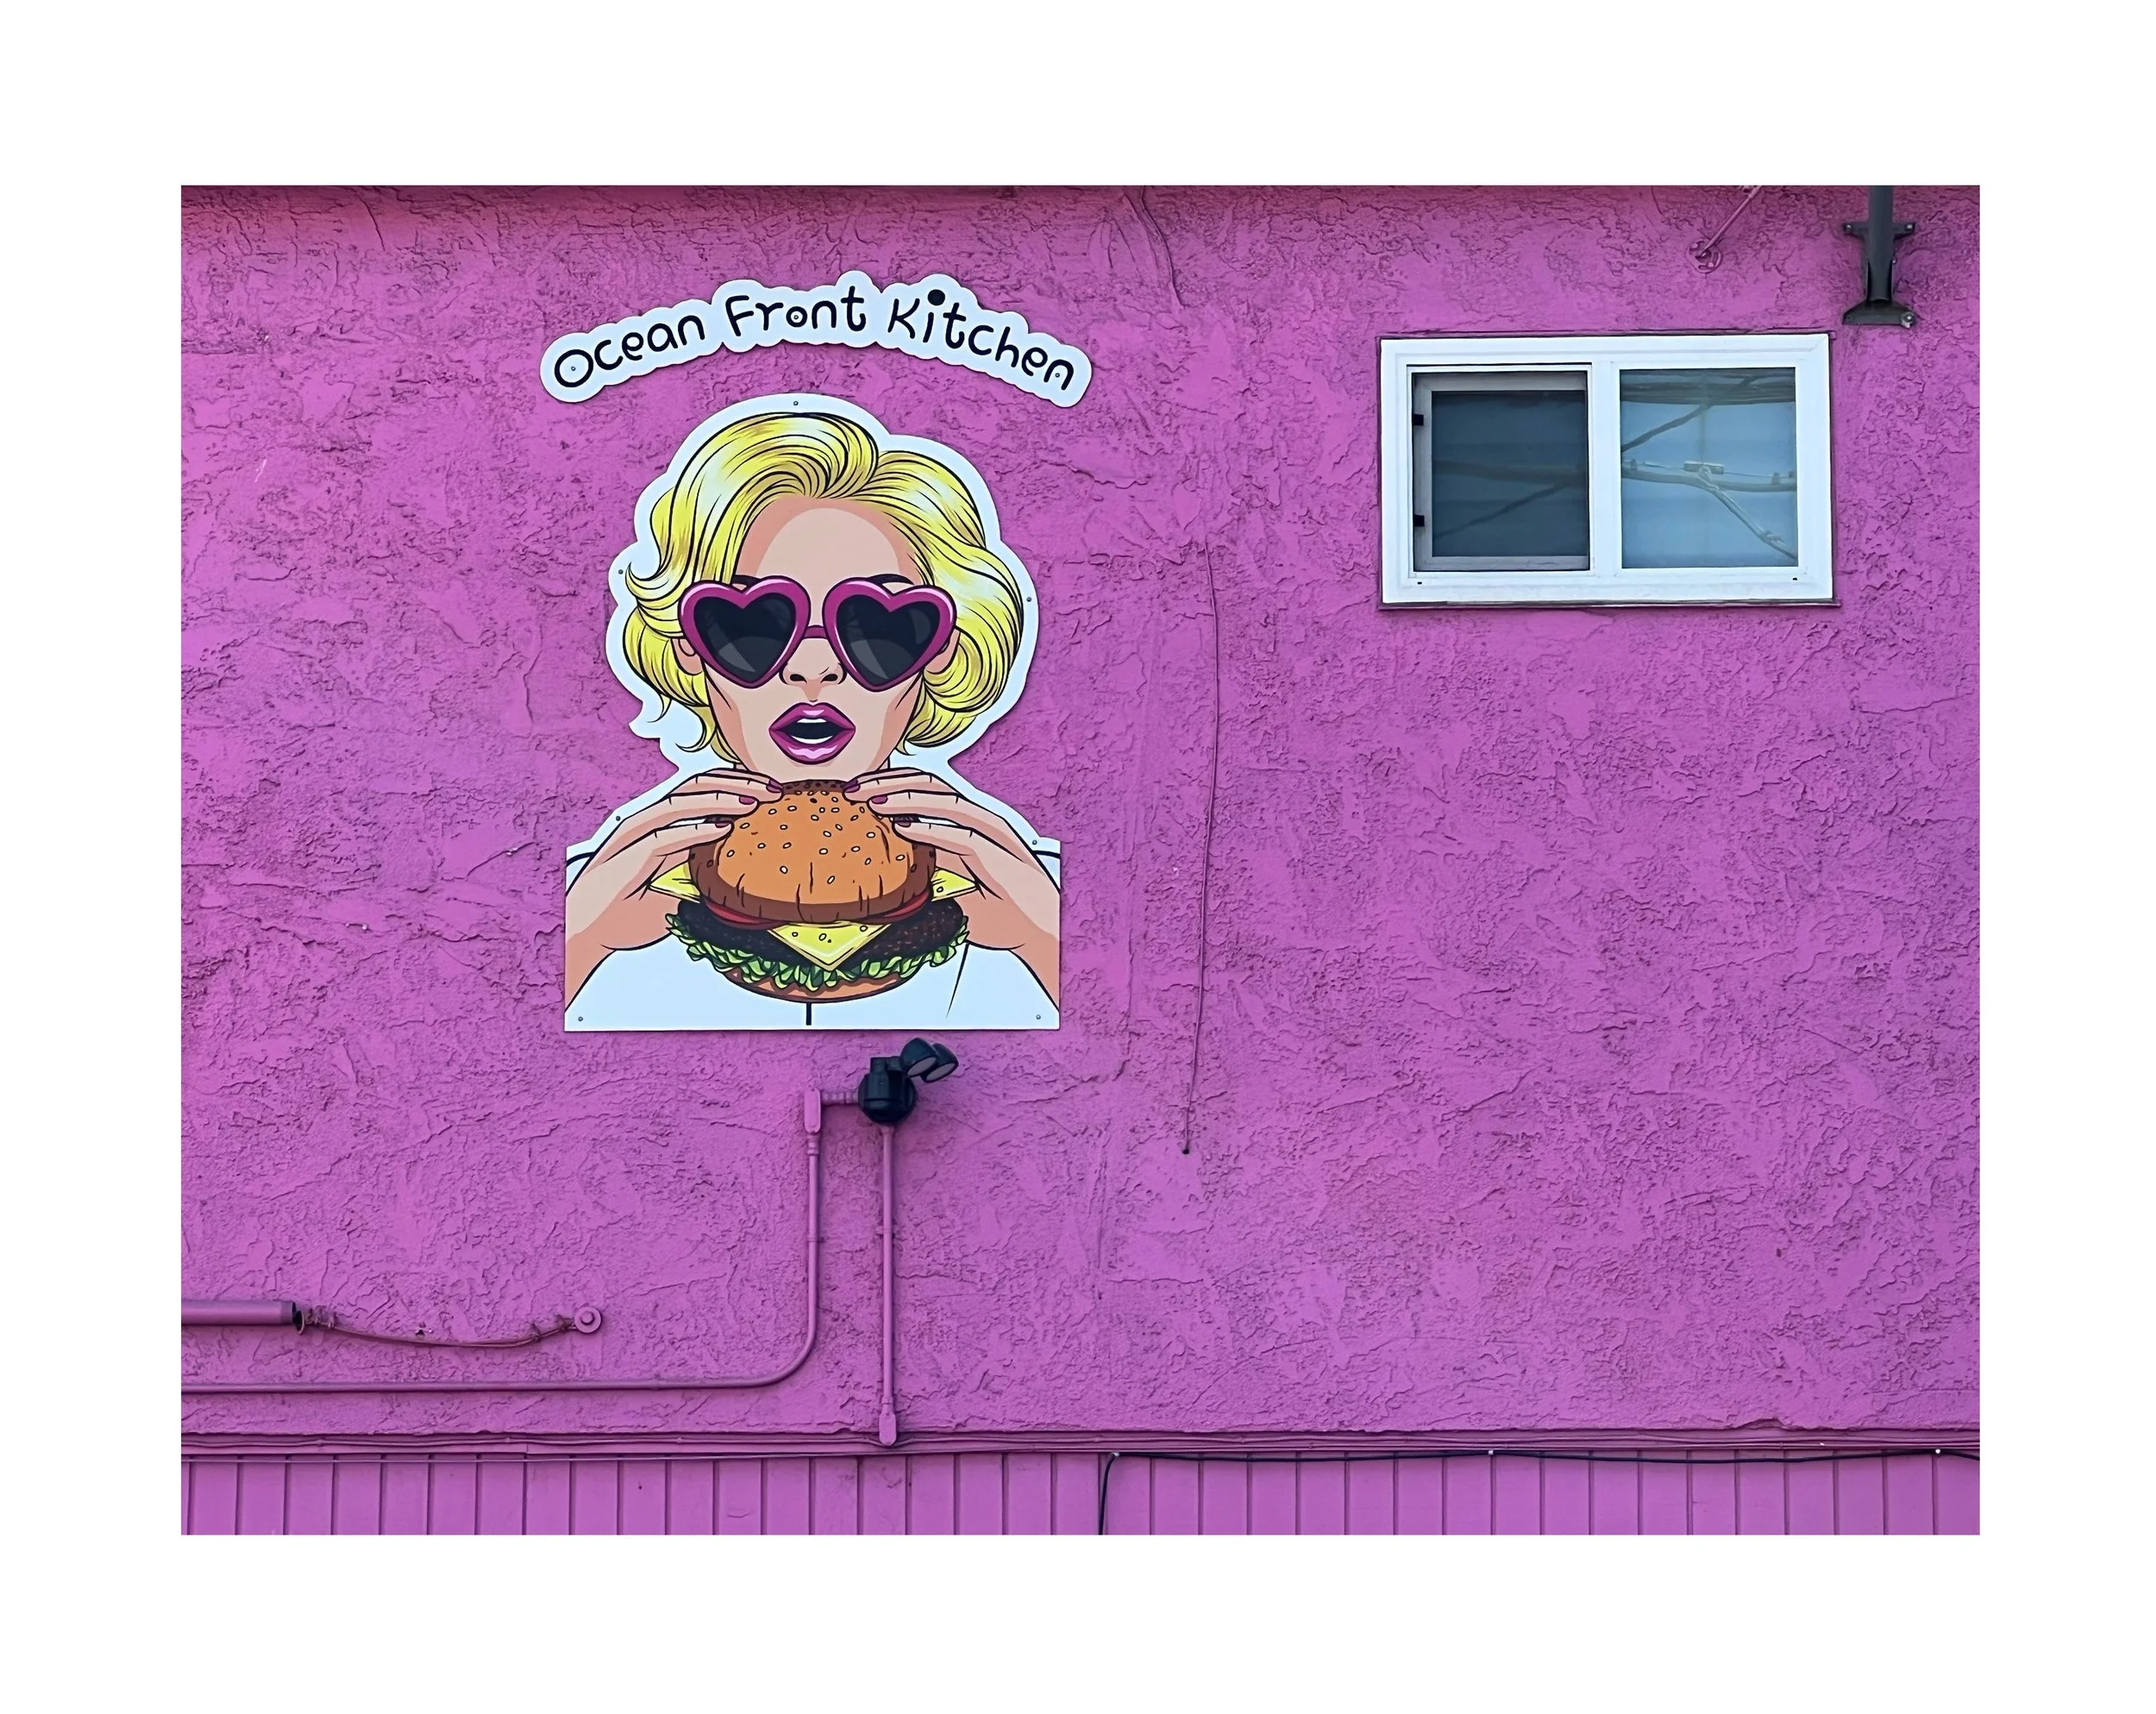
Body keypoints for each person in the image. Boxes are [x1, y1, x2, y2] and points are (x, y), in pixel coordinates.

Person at [565, 402, 1059, 1030]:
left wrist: (1043, 935)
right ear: (690, 646)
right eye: (755, 625)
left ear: (943, 649)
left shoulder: (1028, 891)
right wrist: (582, 937)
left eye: (877, 628)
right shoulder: (598, 894)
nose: (813, 669)